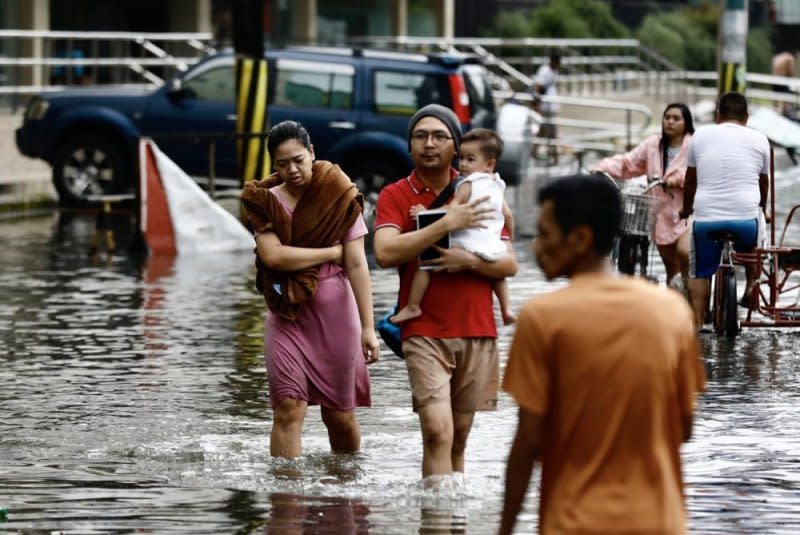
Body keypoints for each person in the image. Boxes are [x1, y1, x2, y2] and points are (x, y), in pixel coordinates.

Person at [498, 174, 705, 535]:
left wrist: (505, 529)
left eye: (545, 234)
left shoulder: (543, 318)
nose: (536, 248)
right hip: (660, 521)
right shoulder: (671, 311)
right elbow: (684, 429)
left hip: (575, 521)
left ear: (579, 239)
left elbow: (528, 441)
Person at [374, 104, 518, 479]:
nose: (429, 144)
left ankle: (450, 519)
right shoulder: (395, 194)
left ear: (457, 146)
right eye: (420, 136)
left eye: (440, 136)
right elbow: (385, 253)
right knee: (437, 432)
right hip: (423, 331)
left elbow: (509, 264)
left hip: (477, 328)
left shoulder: (483, 187)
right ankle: (437, 518)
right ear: (409, 146)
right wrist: (446, 223)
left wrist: (467, 261)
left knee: (459, 437)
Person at [240, 120, 379, 458]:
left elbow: (358, 263)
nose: (292, 169)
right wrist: (331, 253)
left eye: (298, 159)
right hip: (287, 313)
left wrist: (369, 328)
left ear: (312, 153)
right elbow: (273, 255)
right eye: (282, 163)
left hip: (336, 318)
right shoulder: (264, 201)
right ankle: (285, 501)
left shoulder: (338, 194)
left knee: (339, 416)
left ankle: (345, 486)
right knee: (287, 408)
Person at [390, 127, 516, 326]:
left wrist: (424, 213)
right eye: (462, 158)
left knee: (426, 264)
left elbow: (452, 211)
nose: (463, 165)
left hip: (465, 241)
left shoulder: (467, 184)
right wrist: (509, 239)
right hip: (490, 243)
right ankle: (506, 308)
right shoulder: (498, 184)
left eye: (470, 159)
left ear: (489, 164)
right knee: (498, 276)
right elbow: (507, 216)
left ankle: (413, 306)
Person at [679, 92, 770, 329]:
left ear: (718, 115)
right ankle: (751, 284)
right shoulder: (760, 139)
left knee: (700, 271)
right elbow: (764, 184)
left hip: (707, 220)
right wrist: (762, 209)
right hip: (745, 222)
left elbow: (690, 181)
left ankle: (698, 324)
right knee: (755, 244)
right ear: (746, 117)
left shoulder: (700, 135)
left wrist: (685, 209)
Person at [596, 103, 696, 291]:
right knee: (671, 270)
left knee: (686, 257)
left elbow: (700, 172)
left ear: (686, 123)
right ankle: (676, 311)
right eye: (667, 118)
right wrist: (604, 167)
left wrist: (678, 179)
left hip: (687, 213)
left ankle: (696, 301)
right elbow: (629, 162)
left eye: (676, 118)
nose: (670, 122)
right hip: (660, 214)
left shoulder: (694, 145)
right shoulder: (652, 145)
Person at [531, 50, 561, 164]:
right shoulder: (544, 71)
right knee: (552, 133)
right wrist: (536, 104)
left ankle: (534, 153)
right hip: (547, 106)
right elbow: (538, 87)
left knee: (543, 131)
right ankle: (555, 157)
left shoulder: (554, 71)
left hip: (551, 105)